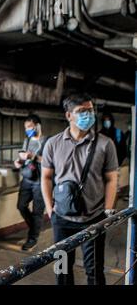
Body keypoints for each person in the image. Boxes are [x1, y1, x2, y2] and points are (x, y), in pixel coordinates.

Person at [41, 94, 119, 285]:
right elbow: (46, 177)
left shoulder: (105, 144)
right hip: (61, 219)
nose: (88, 115)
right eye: (82, 111)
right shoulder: (53, 143)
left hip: (93, 218)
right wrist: (50, 208)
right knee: (62, 270)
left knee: (94, 271)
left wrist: (108, 210)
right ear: (69, 116)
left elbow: (111, 179)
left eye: (90, 110)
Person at [14, 114, 47, 251]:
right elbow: (24, 159)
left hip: (41, 181)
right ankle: (34, 227)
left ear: (38, 125)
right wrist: (19, 162)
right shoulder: (27, 141)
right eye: (26, 128)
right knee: (21, 206)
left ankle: (32, 238)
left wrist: (33, 156)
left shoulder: (47, 141)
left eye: (30, 127)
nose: (28, 130)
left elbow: (50, 161)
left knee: (37, 212)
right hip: (27, 178)